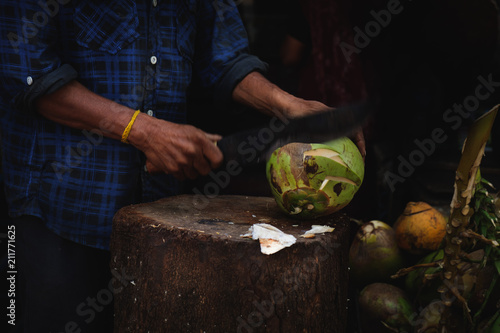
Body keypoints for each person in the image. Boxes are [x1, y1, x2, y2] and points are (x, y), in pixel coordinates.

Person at [0, 1, 365, 332]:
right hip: (60, 207)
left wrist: (286, 105)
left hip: (157, 213)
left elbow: (224, 59)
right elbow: (26, 73)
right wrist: (142, 130)